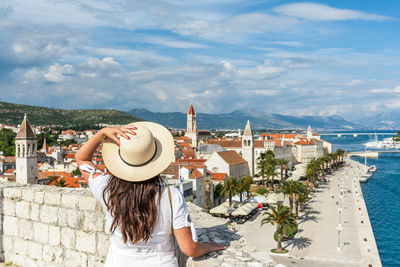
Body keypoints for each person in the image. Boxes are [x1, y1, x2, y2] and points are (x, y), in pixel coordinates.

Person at [75, 122, 227, 267]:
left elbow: (81, 158)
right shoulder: (170, 195)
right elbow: (189, 248)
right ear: (155, 159)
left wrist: (101, 134)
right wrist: (210, 245)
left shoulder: (106, 188)